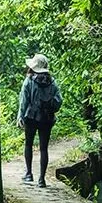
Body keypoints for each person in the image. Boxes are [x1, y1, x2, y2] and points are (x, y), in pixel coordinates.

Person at [18, 53, 62, 187]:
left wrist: (20, 116)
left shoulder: (29, 81)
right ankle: (42, 179)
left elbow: (24, 100)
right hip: (46, 118)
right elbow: (59, 101)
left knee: (28, 144)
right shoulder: (52, 82)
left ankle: (29, 174)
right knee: (44, 148)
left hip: (31, 117)